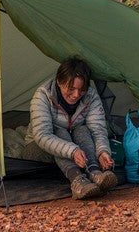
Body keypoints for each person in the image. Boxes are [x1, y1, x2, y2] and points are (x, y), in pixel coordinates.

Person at [29, 57, 119, 199]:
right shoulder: (43, 96)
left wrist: (103, 151)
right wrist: (72, 150)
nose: (76, 95)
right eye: (71, 89)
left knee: (82, 130)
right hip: (38, 148)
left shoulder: (90, 96)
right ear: (59, 82)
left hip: (76, 148)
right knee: (59, 131)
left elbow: (98, 129)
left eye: (81, 89)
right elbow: (42, 135)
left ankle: (95, 173)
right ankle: (77, 181)